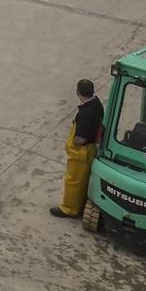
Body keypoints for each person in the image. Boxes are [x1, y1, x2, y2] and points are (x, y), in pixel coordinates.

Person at [51, 78, 104, 218]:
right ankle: (80, 205)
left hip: (82, 152)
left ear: (77, 92)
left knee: (73, 181)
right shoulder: (97, 104)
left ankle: (69, 209)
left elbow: (81, 139)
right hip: (92, 149)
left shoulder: (85, 113)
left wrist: (74, 140)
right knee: (83, 180)